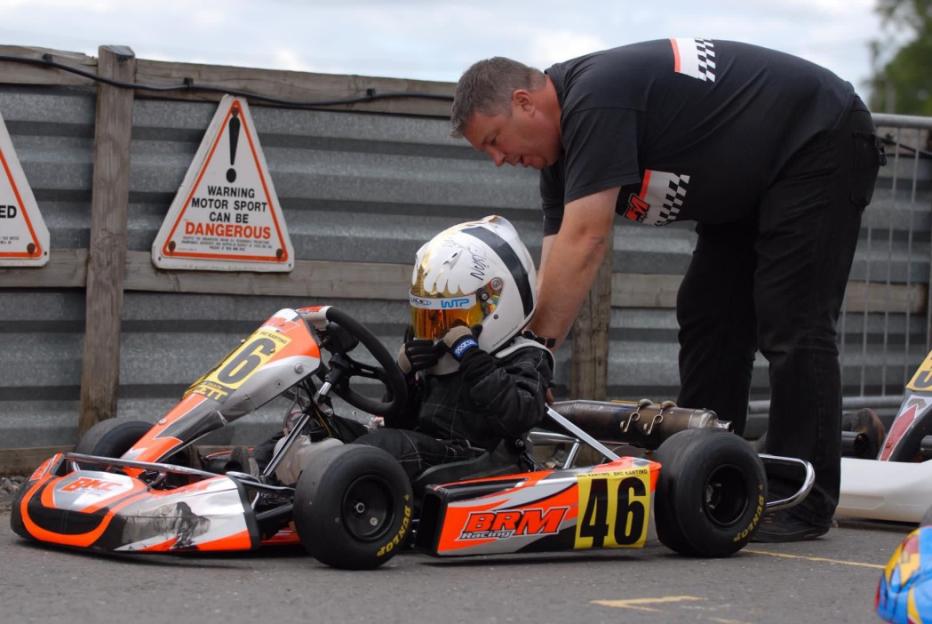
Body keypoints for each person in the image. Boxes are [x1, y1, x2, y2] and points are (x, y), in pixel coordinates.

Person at [451, 39, 885, 542]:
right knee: (708, 314)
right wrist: (530, 354)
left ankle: (802, 499)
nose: (500, 160)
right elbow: (558, 262)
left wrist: (532, 358)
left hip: (819, 138)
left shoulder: (595, 98)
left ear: (526, 102)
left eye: (495, 141)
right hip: (749, 187)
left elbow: (587, 239)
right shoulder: (559, 159)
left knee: (793, 317)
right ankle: (704, 473)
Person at [352, 215, 554, 481]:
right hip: (424, 450)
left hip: (475, 458)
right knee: (330, 432)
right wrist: (404, 375)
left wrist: (471, 356)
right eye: (431, 318)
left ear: (494, 305)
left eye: (450, 319)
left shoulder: (528, 354)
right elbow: (397, 422)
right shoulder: (433, 355)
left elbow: (518, 415)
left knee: (378, 449)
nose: (438, 331)